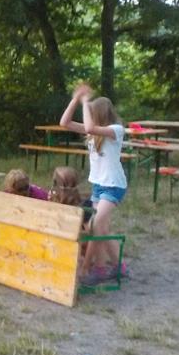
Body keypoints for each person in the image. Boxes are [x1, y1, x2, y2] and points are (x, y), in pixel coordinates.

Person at [59, 83, 128, 284]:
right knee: (102, 229)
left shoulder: (115, 130)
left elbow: (89, 126)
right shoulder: (94, 134)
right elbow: (64, 122)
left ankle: (94, 269)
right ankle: (118, 268)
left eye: (91, 112)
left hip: (113, 186)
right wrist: (75, 99)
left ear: (99, 114)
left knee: (94, 225)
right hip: (98, 185)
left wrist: (85, 102)